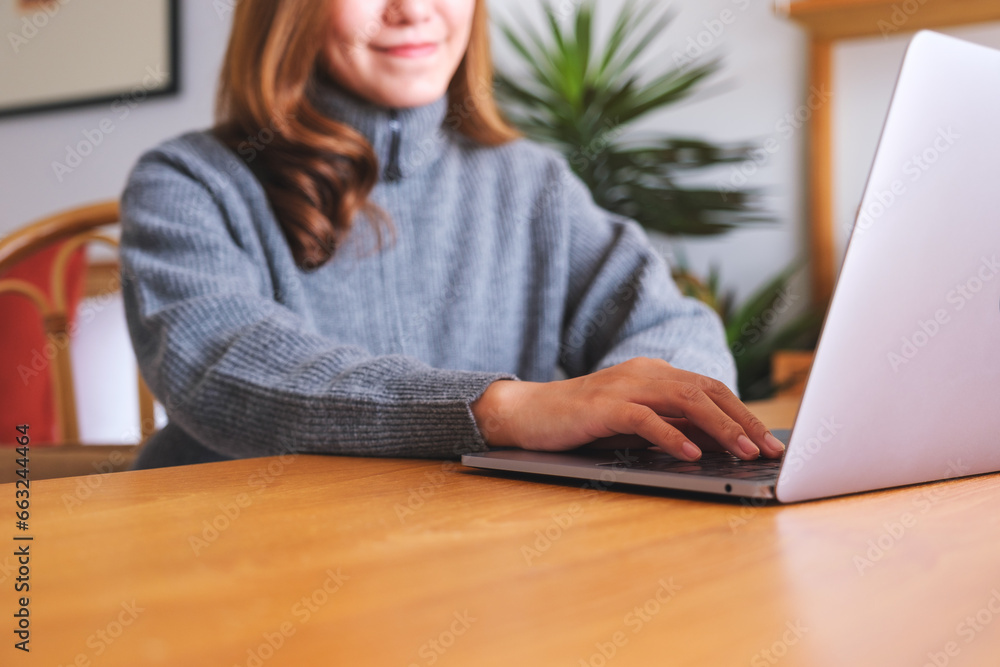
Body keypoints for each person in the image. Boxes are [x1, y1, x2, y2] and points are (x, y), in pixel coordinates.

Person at [119, 0, 785, 470]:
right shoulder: (187, 182)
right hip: (239, 562)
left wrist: (638, 417)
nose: (413, 7)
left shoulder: (530, 181)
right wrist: (501, 409)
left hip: (473, 563)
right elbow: (217, 361)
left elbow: (673, 328)